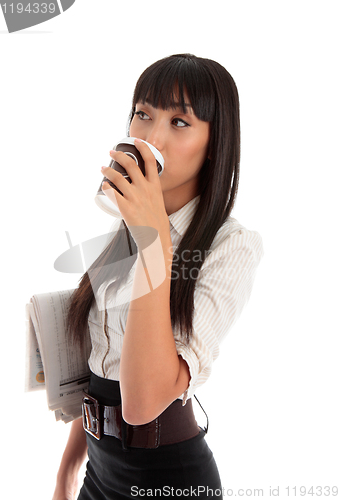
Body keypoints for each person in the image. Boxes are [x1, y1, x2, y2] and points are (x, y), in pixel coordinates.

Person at [52, 53, 264, 500]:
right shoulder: (125, 228)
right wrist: (66, 471)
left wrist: (153, 243)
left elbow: (144, 403)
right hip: (99, 472)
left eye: (180, 122)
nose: (152, 137)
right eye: (143, 114)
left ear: (215, 141)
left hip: (169, 479)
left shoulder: (232, 245)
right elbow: (100, 365)